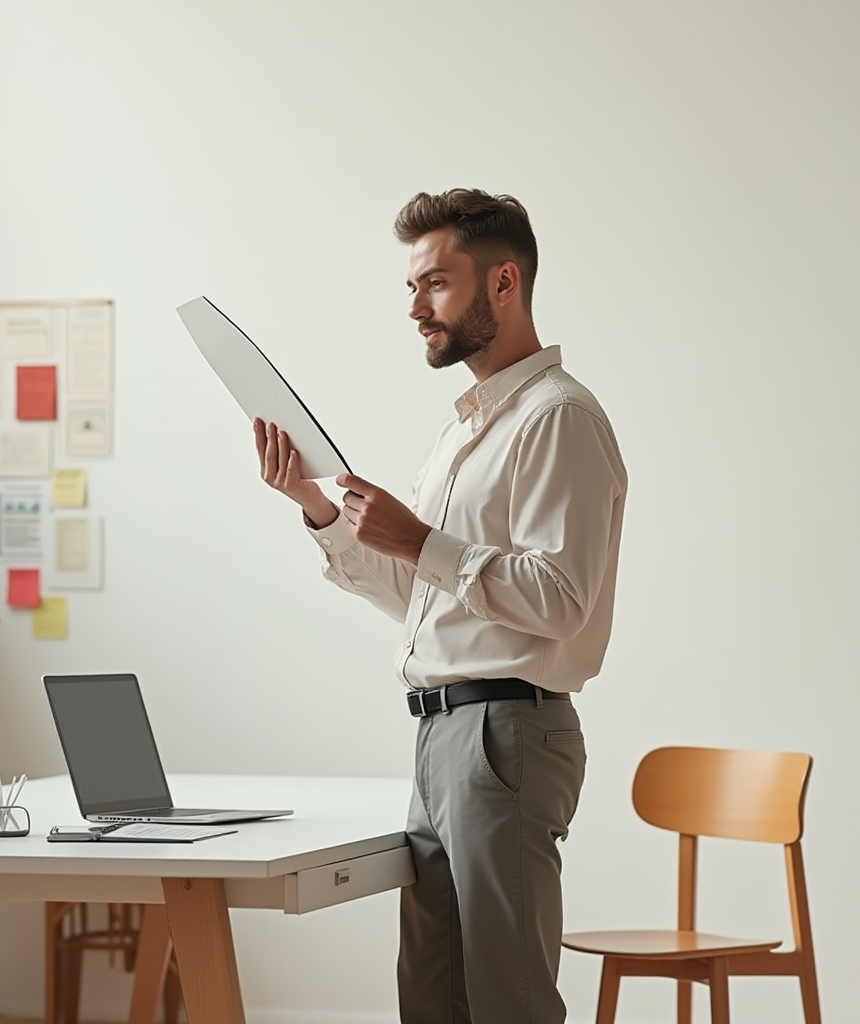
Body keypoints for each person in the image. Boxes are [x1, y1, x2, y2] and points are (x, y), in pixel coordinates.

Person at [253, 188, 627, 1024]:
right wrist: (318, 508)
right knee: (431, 1002)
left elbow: (560, 599)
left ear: (504, 283)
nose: (417, 309)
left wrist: (420, 539)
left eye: (436, 285)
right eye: (411, 289)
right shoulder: (463, 434)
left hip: (505, 735)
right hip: (440, 734)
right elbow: (430, 598)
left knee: (508, 1003)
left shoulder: (556, 419)